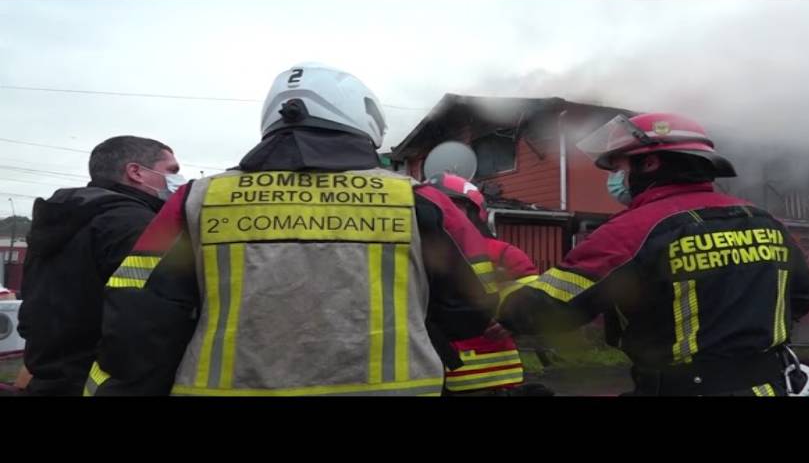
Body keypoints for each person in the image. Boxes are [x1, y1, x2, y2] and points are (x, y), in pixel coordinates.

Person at [85, 63, 499, 396]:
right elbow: (473, 308)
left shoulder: (195, 199)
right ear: (363, 118)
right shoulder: (421, 201)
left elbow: (138, 316)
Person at [496, 112, 809, 396]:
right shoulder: (764, 221)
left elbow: (546, 311)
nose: (614, 178)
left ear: (649, 163)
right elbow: (803, 295)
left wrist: (499, 299)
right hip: (772, 386)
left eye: (618, 166)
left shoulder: (630, 231)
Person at [17, 135, 182, 396]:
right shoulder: (138, 225)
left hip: (48, 380)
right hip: (102, 386)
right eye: (172, 171)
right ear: (136, 172)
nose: (177, 180)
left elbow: (32, 311)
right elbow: (147, 322)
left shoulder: (58, 222)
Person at [425, 172, 554, 396]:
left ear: (475, 213)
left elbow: (537, 300)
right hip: (425, 372)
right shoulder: (414, 254)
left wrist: (513, 321)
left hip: (489, 377)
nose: (443, 214)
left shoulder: (502, 254)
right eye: (434, 207)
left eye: (453, 207)